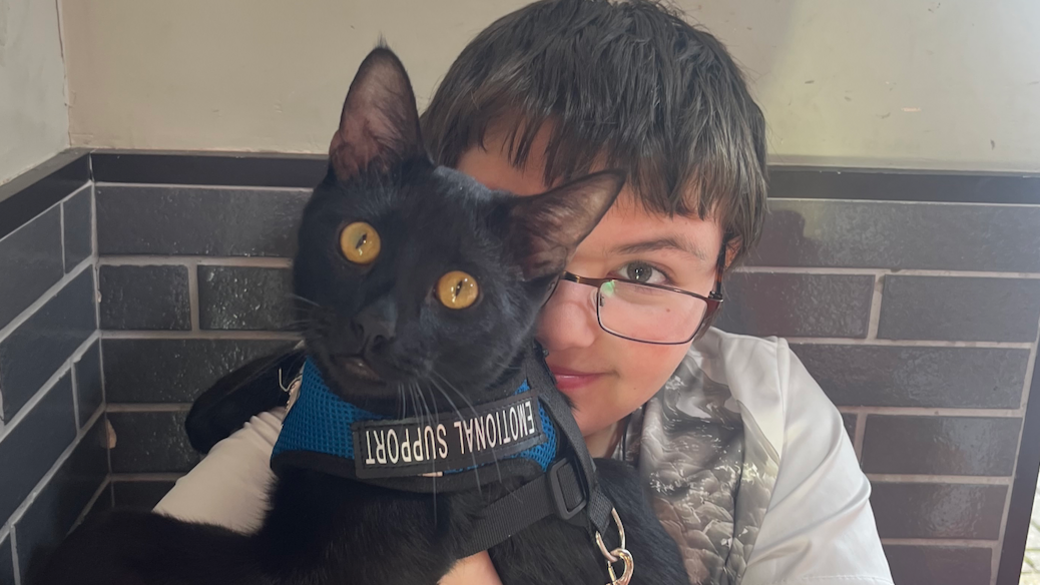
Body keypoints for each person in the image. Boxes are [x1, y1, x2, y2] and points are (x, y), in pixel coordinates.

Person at [155, 1, 894, 584]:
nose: (564, 327)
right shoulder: (331, 420)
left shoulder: (774, 417)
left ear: (720, 276)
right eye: (495, 248)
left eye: (645, 273)